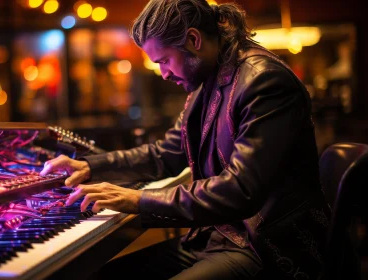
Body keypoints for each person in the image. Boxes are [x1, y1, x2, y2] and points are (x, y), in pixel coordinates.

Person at [40, 0, 332, 279]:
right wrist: (91, 167)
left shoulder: (263, 81)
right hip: (222, 236)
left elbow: (240, 190)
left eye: (164, 60)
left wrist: (139, 199)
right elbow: (166, 153)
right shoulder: (207, 80)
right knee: (105, 275)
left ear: (193, 40)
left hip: (268, 247)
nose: (163, 73)